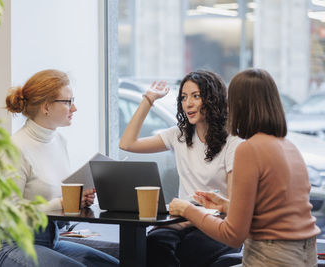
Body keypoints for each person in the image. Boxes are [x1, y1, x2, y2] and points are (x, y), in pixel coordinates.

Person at [169, 68, 320, 267]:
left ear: (239, 105)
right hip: (306, 254)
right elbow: (274, 214)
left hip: (272, 256)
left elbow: (232, 235)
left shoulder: (248, 149)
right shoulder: (288, 147)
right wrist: (225, 205)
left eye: (229, 101)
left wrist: (188, 209)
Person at [0, 69, 119, 267]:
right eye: (68, 102)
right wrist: (61, 202)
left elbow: (57, 207)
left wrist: (78, 201)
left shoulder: (59, 141)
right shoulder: (15, 149)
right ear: (46, 107)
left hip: (50, 242)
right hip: (11, 246)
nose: (74, 108)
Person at [119, 70, 242, 266]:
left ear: (213, 99)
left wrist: (193, 215)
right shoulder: (180, 135)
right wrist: (149, 99)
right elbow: (127, 144)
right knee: (152, 244)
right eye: (184, 97)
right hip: (180, 221)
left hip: (216, 224)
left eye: (196, 96)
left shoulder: (233, 142)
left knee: (189, 252)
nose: (188, 104)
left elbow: (233, 206)